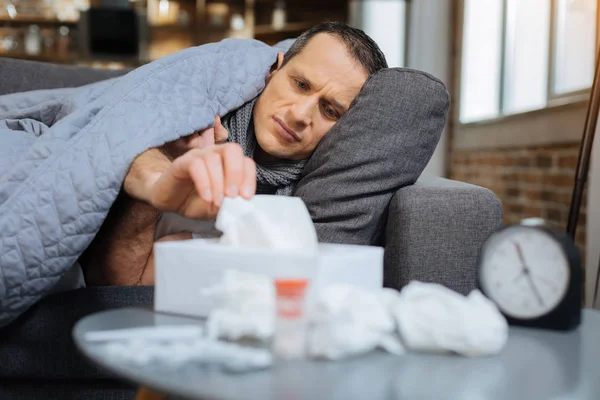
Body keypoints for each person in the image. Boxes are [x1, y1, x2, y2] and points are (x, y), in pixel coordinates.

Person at [79, 21, 388, 286]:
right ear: (274, 70)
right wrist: (165, 158)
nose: (299, 115)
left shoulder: (293, 206)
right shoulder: (197, 115)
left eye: (330, 110)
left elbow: (123, 286)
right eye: (300, 84)